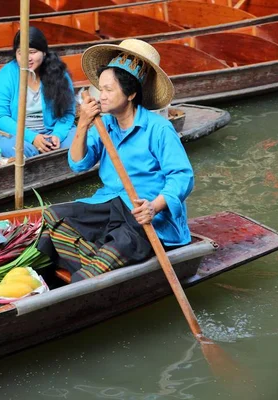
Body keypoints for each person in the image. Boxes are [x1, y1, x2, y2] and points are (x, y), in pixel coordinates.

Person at [37, 39, 194, 283]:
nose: (102, 96)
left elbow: (183, 177)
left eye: (109, 90)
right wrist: (83, 124)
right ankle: (96, 257)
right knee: (52, 215)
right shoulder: (105, 123)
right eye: (101, 89)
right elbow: (79, 164)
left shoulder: (159, 129)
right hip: (111, 204)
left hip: (144, 216)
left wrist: (154, 207)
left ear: (131, 93)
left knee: (103, 259)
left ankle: (96, 261)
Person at [0, 27, 76, 158]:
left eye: (32, 52)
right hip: (14, 134)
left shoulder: (59, 74)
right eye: (20, 53)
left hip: (51, 131)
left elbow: (68, 112)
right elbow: (0, 117)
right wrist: (32, 137)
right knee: (20, 150)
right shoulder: (6, 75)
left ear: (44, 52)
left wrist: (58, 135)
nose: (26, 58)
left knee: (81, 139)